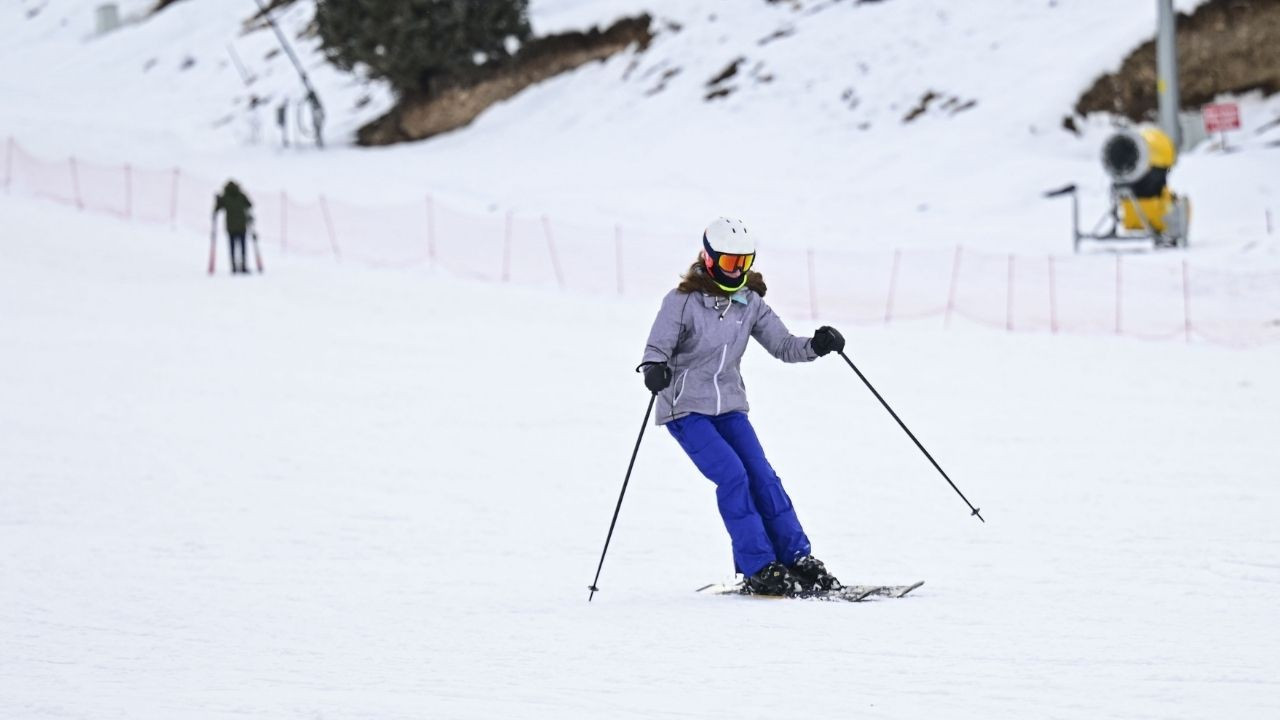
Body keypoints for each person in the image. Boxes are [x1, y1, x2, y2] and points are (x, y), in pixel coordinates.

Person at [638, 217, 847, 596]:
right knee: (733, 476)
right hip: (685, 410)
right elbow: (656, 349)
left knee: (763, 476)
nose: (739, 271)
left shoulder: (749, 303)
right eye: (731, 263)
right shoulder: (681, 302)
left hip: (730, 407)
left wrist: (816, 345)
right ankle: (759, 566)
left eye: (745, 263)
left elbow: (784, 346)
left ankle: (796, 557)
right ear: (709, 258)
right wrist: (653, 369)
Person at [213, 181, 254, 274]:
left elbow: (217, 209)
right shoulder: (241, 195)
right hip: (242, 226)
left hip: (230, 227)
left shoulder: (225, 197)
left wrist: (218, 201)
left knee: (232, 247)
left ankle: (234, 267)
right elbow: (250, 205)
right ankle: (243, 265)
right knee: (243, 247)